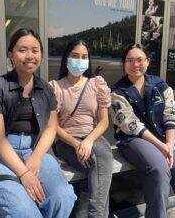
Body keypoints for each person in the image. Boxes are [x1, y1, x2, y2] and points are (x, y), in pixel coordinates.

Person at [0, 28, 77, 218]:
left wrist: (37, 156)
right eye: (22, 50)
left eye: (35, 50)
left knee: (63, 198)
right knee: (24, 212)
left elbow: (50, 127)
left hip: (35, 149)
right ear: (11, 55)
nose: (30, 56)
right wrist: (24, 173)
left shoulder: (45, 88)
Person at [110, 43, 175, 218]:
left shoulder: (160, 84)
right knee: (158, 170)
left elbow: (170, 114)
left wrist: (169, 143)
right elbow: (131, 125)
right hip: (134, 139)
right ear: (124, 64)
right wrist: (162, 146)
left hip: (166, 137)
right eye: (130, 60)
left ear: (148, 61)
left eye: (140, 60)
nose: (135, 64)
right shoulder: (118, 91)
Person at [49, 39, 113, 218]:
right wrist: (77, 145)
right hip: (66, 140)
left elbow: (103, 122)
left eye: (84, 57)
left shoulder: (96, 84)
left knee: (101, 158)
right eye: (75, 56)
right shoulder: (56, 87)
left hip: (92, 137)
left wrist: (88, 141)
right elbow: (53, 126)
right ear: (66, 58)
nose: (80, 60)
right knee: (100, 162)